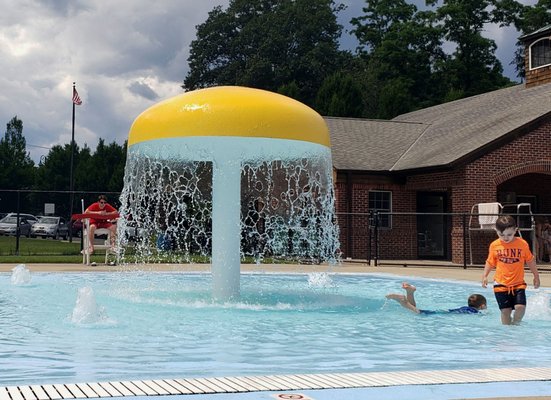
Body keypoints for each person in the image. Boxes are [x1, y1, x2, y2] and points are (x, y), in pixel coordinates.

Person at [482, 214, 540, 325]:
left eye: (509, 234)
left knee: (520, 307)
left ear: (515, 230)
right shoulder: (494, 245)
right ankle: (506, 331)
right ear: (496, 231)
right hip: (500, 283)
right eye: (501, 234)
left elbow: (530, 260)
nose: (505, 238)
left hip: (518, 283)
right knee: (505, 311)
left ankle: (516, 325)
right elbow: (490, 262)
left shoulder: (522, 244)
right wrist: (485, 276)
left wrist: (536, 276)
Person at [386, 282, 487, 314]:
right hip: (444, 313)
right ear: (482, 306)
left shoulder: (465, 308)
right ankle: (403, 300)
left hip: (446, 311)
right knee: (418, 312)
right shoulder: (474, 312)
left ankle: (410, 293)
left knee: (417, 311)